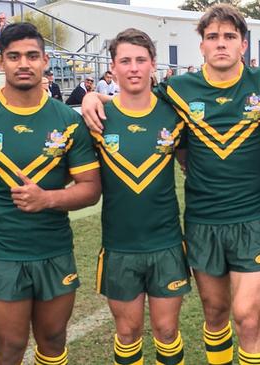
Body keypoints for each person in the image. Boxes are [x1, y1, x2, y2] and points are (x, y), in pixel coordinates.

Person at [82, 5, 260, 365]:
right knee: (215, 314)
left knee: (248, 318)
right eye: (212, 37)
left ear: (243, 44)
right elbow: (135, 103)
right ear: (202, 46)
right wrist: (93, 97)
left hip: (252, 221)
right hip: (203, 222)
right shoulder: (176, 90)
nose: (221, 44)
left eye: (229, 36)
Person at [0, 22, 101, 365]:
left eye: (31, 56)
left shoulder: (67, 120)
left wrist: (48, 199)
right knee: (10, 347)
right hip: (3, 254)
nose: (23, 63)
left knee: (53, 341)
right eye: (14, 56)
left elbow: (90, 190)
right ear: (0, 63)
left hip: (54, 250)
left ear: (45, 61)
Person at [93, 28, 190, 365]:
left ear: (153, 65)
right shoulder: (97, 119)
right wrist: (94, 97)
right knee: (127, 332)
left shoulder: (174, 114)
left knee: (166, 330)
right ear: (113, 67)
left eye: (140, 60)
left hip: (165, 243)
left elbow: (189, 159)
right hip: (120, 247)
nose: (133, 68)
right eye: (125, 61)